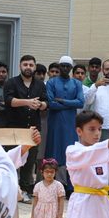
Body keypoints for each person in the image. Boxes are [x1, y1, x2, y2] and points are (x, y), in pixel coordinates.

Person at [2, 54, 47, 200]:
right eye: (25, 64)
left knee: (30, 160)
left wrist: (40, 105)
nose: (28, 67)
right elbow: (9, 101)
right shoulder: (11, 82)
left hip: (32, 129)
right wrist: (27, 102)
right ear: (20, 66)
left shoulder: (40, 84)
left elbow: (47, 103)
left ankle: (27, 189)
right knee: (12, 160)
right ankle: (11, 190)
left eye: (31, 65)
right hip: (14, 129)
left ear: (35, 67)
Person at [45, 56, 85, 190]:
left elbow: (81, 102)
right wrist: (70, 104)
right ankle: (52, 185)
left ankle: (70, 187)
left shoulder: (77, 84)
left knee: (71, 154)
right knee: (54, 154)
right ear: (59, 66)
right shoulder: (51, 82)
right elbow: (51, 104)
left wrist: (62, 101)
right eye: (63, 66)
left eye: (68, 66)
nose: (65, 68)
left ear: (71, 68)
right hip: (55, 123)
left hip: (70, 124)